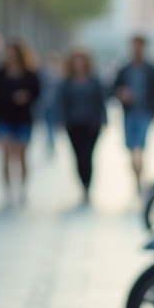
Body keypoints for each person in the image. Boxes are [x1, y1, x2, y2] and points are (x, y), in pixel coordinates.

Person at [0, 40, 41, 207]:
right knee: (6, 155)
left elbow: (37, 92)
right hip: (4, 118)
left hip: (23, 119)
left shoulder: (30, 74)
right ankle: (8, 191)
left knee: (22, 156)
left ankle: (22, 188)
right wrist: (10, 97)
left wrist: (26, 97)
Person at [111, 35, 154, 189]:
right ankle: (137, 177)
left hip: (145, 114)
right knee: (131, 150)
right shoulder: (124, 69)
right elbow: (113, 88)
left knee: (139, 148)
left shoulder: (151, 70)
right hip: (128, 114)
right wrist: (121, 93)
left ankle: (139, 179)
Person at [56, 49, 106, 201]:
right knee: (78, 156)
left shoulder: (94, 81)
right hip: (73, 124)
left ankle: (88, 184)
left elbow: (100, 101)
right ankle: (82, 183)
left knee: (88, 155)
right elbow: (61, 102)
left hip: (92, 124)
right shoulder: (67, 82)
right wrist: (61, 120)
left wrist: (103, 120)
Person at [39, 51, 63, 155]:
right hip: (46, 104)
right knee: (49, 124)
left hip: (55, 104)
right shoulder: (43, 73)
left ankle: (51, 140)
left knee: (52, 124)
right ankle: (50, 141)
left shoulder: (60, 73)